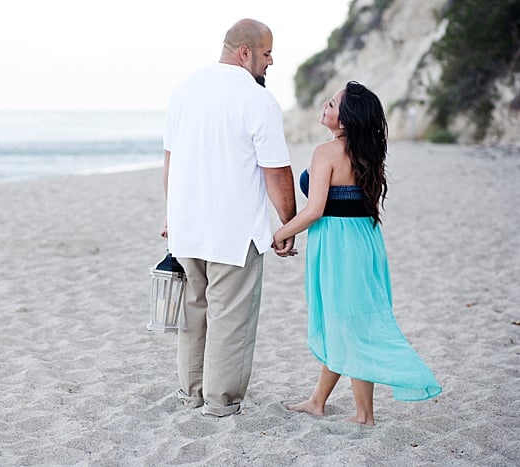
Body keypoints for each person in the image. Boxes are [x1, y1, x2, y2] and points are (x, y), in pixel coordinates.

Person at [272, 81, 442, 425]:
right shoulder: (368, 152)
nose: (325, 104)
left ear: (345, 121)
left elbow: (315, 208)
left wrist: (281, 232)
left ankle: (365, 415)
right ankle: (318, 401)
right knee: (349, 321)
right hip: (364, 241)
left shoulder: (326, 152)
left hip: (337, 245)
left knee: (348, 324)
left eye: (332, 104)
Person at [161, 18, 297, 417]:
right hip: (233, 233)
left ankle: (193, 394)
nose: (271, 61)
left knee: (195, 315)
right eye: (267, 52)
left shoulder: (185, 89)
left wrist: (172, 215)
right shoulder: (257, 100)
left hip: (187, 228)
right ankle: (221, 403)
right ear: (245, 52)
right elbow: (277, 171)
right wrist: (287, 223)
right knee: (230, 319)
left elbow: (170, 160)